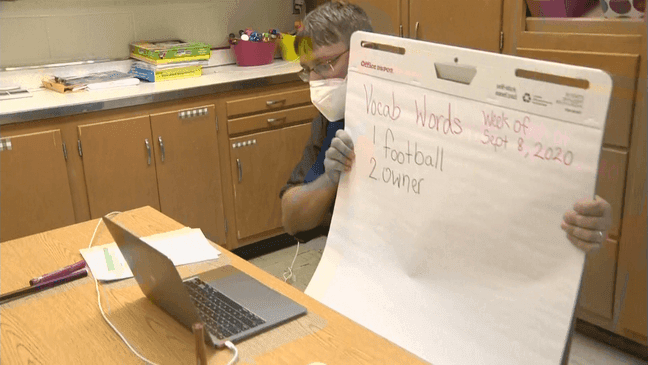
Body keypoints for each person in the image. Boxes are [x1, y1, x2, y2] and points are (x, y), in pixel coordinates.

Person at [280, 0, 613, 251]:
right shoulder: (333, 120)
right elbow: (291, 218)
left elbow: (520, 178)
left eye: (325, 65)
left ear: (368, 49)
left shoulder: (435, 108)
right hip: (367, 268)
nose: (316, 82)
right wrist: (329, 180)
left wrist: (584, 215)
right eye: (308, 70)